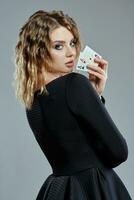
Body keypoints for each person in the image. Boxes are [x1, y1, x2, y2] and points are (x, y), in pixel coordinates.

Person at [13, 10, 132, 200]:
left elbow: (73, 146)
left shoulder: (32, 101)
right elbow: (118, 152)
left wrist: (94, 97)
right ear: (39, 51)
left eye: (73, 43)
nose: (72, 53)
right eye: (59, 46)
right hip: (93, 189)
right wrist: (92, 97)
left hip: (58, 190)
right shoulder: (75, 84)